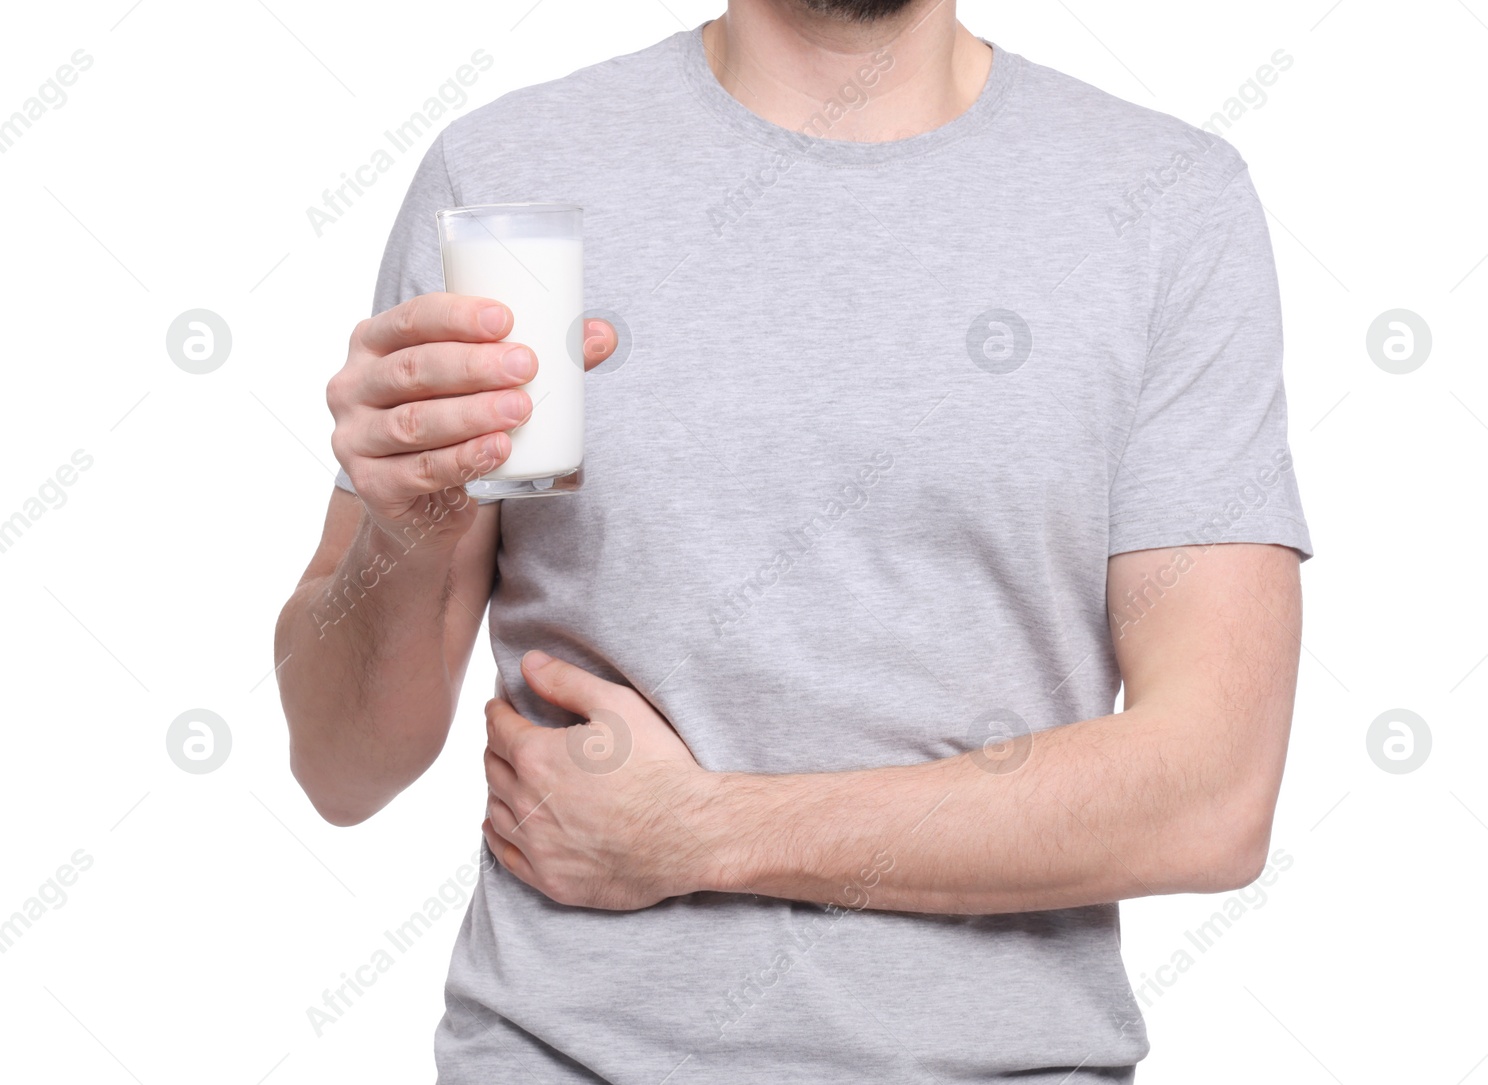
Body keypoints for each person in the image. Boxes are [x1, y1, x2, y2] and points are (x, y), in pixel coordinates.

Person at [275, 0, 1314, 1080]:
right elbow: (343, 767)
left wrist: (704, 833)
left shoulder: (1166, 203)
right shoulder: (508, 178)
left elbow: (1211, 793)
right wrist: (409, 533)